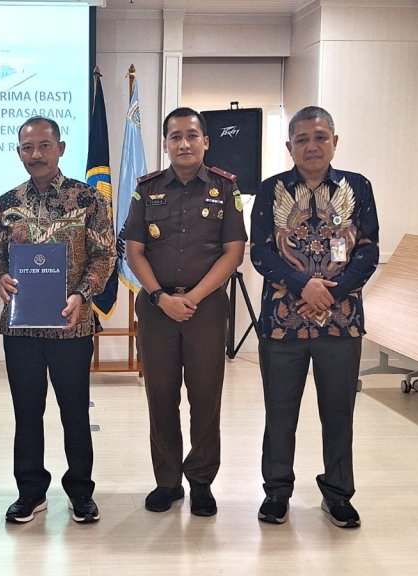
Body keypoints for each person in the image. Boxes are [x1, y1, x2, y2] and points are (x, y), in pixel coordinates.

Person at [250, 105, 379, 529]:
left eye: (320, 137)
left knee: (339, 413)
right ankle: (276, 492)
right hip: (283, 323)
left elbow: (368, 250)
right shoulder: (270, 190)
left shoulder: (357, 187)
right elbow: (261, 252)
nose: (312, 146)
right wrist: (302, 285)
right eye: (302, 139)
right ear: (289, 147)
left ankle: (338, 494)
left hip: (341, 323)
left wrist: (332, 292)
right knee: (280, 413)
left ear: (334, 142)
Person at [0, 117, 116, 524]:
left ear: (60, 148)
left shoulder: (87, 199)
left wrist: (83, 294)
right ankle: (30, 492)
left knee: (75, 413)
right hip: (21, 327)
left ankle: (80, 492)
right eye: (27, 147)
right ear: (19, 152)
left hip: (71, 325)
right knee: (26, 413)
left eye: (44, 145)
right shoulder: (6, 203)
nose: (36, 154)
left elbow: (105, 254)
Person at [124, 107, 247, 517]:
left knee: (205, 398)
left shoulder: (226, 189)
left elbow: (233, 252)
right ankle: (167, 482)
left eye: (192, 135)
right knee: (160, 396)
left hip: (205, 310)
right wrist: (161, 297)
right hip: (157, 310)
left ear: (205, 142)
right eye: (175, 136)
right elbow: (134, 251)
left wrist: (192, 297)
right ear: (165, 144)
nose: (184, 143)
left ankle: (201, 482)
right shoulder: (147, 190)